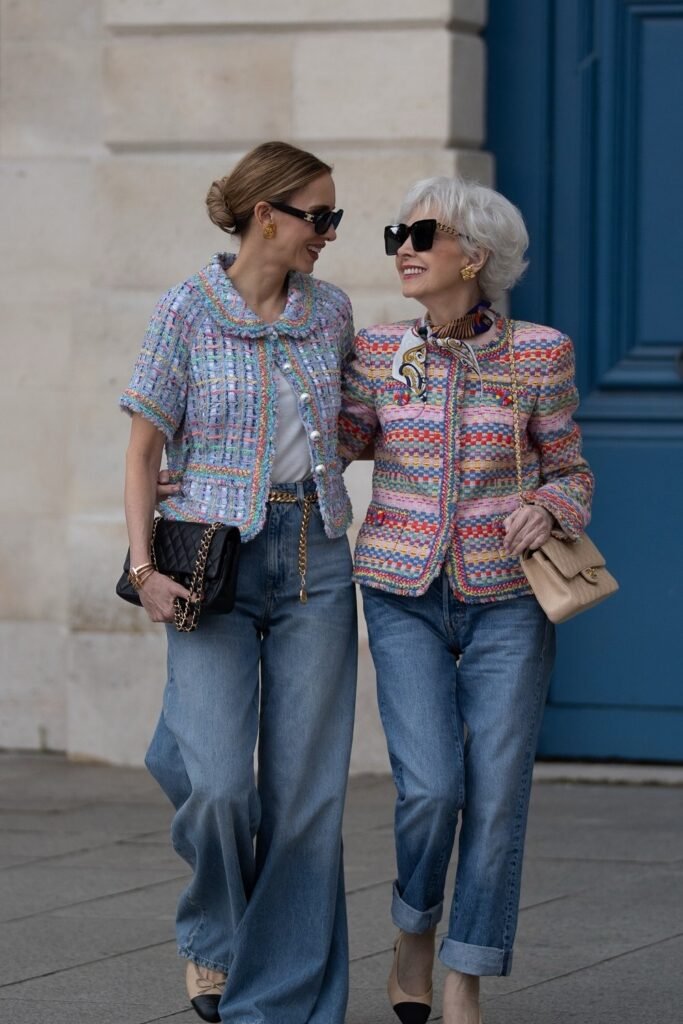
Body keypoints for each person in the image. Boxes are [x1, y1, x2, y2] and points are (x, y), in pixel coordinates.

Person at [338, 176, 594, 1024]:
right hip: (401, 592)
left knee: (495, 793)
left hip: (509, 600)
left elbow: (571, 470)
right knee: (431, 790)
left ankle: (463, 975)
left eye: (421, 234)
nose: (402, 248)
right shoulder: (379, 354)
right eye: (396, 235)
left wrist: (547, 506)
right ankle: (414, 928)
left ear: (474, 256)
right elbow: (327, 447)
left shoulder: (539, 353)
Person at [120, 141, 358, 1024]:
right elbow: (144, 447)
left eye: (332, 219)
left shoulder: (329, 313)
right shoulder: (186, 308)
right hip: (207, 564)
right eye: (319, 217)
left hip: (315, 560)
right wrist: (144, 568)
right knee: (218, 782)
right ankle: (217, 936)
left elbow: (361, 420)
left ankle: (277, 1000)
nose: (329, 234)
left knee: (305, 799)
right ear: (269, 216)